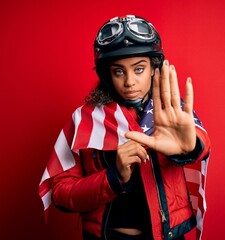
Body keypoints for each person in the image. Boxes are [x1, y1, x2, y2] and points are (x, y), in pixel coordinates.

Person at [39, 15, 211, 240]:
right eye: (119, 71)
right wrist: (114, 176)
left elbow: (201, 141)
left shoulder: (172, 111)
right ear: (107, 75)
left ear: (153, 68)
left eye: (139, 69)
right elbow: (61, 193)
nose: (129, 81)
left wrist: (189, 148)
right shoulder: (84, 119)